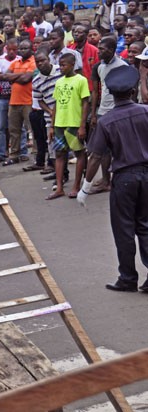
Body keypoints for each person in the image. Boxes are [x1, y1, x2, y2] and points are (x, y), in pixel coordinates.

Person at [78, 65, 148, 292]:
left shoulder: (107, 121)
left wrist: (85, 186)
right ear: (132, 91)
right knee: (145, 227)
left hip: (125, 177)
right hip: (146, 174)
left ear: (111, 94)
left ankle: (128, 278)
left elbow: (96, 156)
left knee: (124, 230)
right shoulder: (145, 112)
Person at [47, 53, 90, 200]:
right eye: (60, 64)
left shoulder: (81, 80)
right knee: (59, 154)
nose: (61, 67)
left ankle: (76, 185)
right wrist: (52, 126)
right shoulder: (59, 82)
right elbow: (56, 104)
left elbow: (85, 103)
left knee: (79, 153)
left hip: (74, 123)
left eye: (64, 65)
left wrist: (82, 125)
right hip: (60, 123)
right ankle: (59, 187)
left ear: (72, 65)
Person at [90, 37, 128, 193]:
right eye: (99, 48)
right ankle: (106, 180)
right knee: (103, 149)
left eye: (103, 49)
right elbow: (96, 91)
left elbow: (128, 91)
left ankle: (118, 179)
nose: (99, 51)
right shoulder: (99, 67)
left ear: (112, 50)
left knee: (120, 148)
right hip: (103, 112)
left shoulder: (122, 66)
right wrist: (94, 114)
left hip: (117, 110)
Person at [0, 39, 34, 165]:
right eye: (22, 48)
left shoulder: (33, 62)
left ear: (31, 50)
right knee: (14, 130)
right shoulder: (15, 62)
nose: (23, 50)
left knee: (32, 129)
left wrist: (14, 77)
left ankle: (37, 154)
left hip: (28, 101)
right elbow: (4, 76)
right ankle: (14, 154)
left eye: (26, 48)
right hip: (14, 101)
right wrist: (19, 76)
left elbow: (26, 79)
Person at [31, 50, 63, 174]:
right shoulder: (36, 80)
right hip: (50, 118)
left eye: (43, 60)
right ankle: (58, 174)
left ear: (48, 60)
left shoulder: (60, 71)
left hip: (68, 115)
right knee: (53, 149)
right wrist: (50, 111)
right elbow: (40, 101)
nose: (40, 63)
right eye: (37, 62)